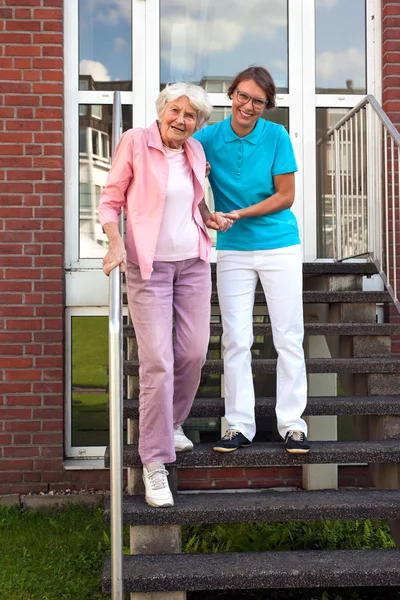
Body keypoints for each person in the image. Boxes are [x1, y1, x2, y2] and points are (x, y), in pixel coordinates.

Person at [98, 82, 231, 508]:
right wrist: (115, 242)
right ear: (162, 110)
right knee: (156, 360)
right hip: (147, 267)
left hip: (192, 263)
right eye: (176, 111)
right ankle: (154, 461)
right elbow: (110, 199)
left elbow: (192, 199)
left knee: (193, 352)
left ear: (198, 123)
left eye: (191, 116)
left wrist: (210, 217)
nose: (182, 120)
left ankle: (172, 421)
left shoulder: (194, 151)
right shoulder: (135, 141)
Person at [194, 66, 309, 455]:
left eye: (257, 101)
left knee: (288, 336)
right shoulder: (207, 137)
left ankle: (292, 424)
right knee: (236, 338)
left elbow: (285, 196)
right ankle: (239, 425)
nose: (248, 105)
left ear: (266, 105)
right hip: (233, 251)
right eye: (242, 96)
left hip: (279, 244)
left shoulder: (276, 136)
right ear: (231, 95)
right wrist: (206, 210)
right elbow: (184, 174)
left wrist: (238, 214)